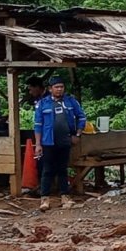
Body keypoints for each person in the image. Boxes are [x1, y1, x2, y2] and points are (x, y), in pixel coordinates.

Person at [33, 77, 86, 211]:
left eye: (61, 87)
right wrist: (38, 144)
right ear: (50, 89)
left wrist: (77, 134)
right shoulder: (42, 104)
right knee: (47, 170)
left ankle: (65, 197)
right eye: (56, 87)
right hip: (48, 142)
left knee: (63, 169)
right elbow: (38, 125)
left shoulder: (70, 101)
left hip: (65, 141)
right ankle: (45, 199)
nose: (59, 89)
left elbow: (81, 117)